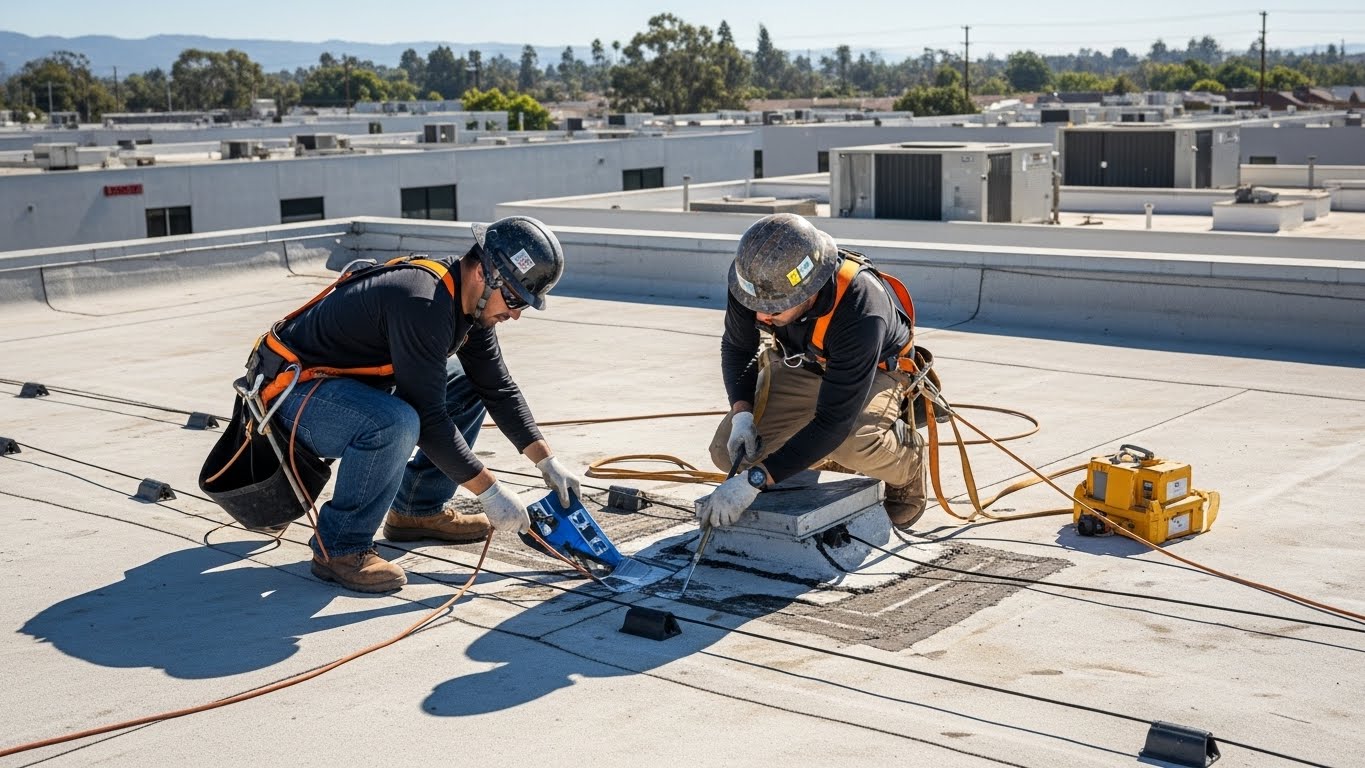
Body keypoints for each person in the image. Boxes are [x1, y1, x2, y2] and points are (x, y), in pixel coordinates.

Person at [248, 215, 582, 593]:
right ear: (485, 276)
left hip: (343, 388)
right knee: (397, 422)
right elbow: (428, 416)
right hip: (292, 395)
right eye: (516, 299)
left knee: (465, 383)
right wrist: (489, 491)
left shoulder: (470, 309)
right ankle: (339, 547)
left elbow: (497, 387)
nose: (517, 313)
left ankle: (416, 510)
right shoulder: (422, 301)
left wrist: (546, 460)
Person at [698, 213, 928, 532]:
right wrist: (742, 415)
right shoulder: (752, 284)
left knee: (849, 442)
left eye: (775, 310)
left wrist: (753, 481)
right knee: (727, 451)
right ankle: (811, 454)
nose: (762, 316)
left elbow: (833, 421)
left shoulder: (861, 309)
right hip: (804, 362)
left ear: (809, 292)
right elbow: (738, 348)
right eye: (756, 307)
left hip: (874, 371)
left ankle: (908, 460)